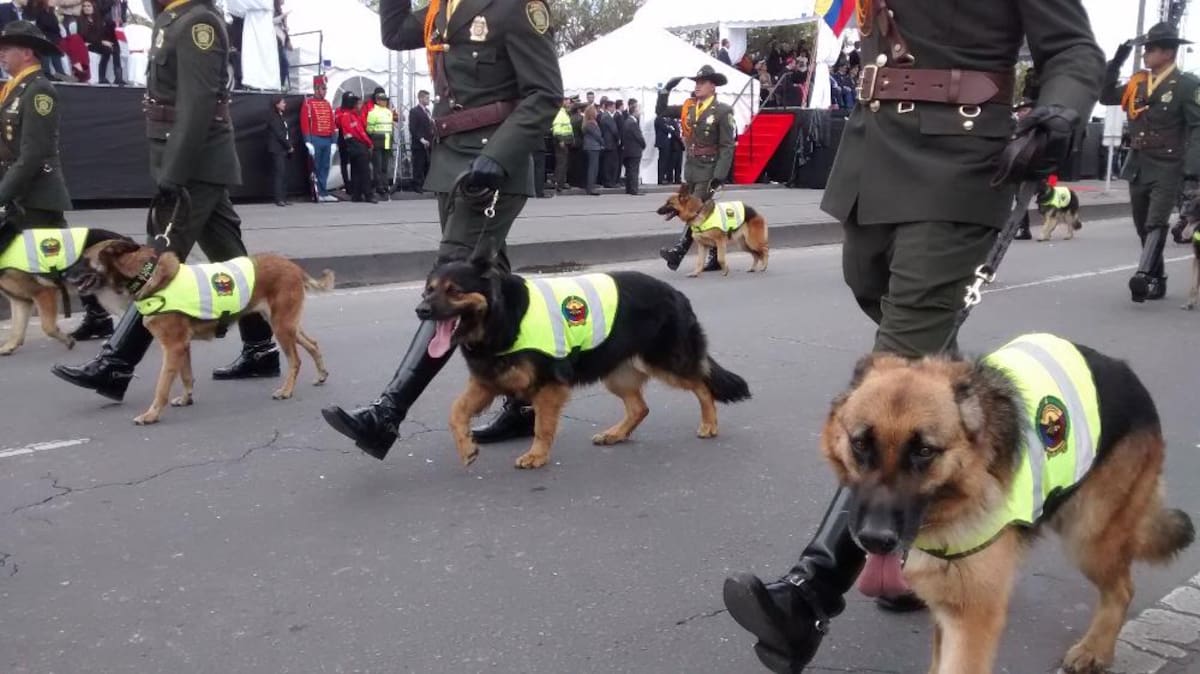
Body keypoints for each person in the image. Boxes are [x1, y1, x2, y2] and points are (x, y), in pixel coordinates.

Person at [718, 1, 1105, 671]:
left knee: (898, 360)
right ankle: (925, 530)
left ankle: (810, 595)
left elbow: (1074, 49)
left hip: (961, 159)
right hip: (874, 153)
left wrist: (1060, 110)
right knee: (904, 341)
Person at [320, 0, 562, 458]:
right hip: (453, 158)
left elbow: (545, 92)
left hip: (492, 162)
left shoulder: (515, 7)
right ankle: (525, 406)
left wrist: (501, 154)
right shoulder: (444, 7)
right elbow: (395, 35)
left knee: (450, 281)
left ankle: (387, 415)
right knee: (498, 287)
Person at [52, 0, 282, 400]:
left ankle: (115, 365)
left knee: (154, 266)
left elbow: (196, 106)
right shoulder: (174, 19)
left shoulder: (198, 23)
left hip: (194, 164)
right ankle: (261, 348)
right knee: (234, 261)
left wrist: (175, 172)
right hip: (190, 161)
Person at [0, 19, 110, 339]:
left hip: (35, 192)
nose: (1, 55)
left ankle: (103, 312)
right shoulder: (14, 88)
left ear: (28, 53)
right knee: (62, 260)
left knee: (62, 259)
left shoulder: (39, 91)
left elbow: (33, 153)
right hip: (21, 189)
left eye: (7, 50)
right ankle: (98, 314)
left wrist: (3, 193)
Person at [1099, 23, 1200, 303]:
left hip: (1169, 164)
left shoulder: (1187, 86)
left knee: (1156, 222)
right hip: (1139, 162)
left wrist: (1192, 170)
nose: (1145, 53)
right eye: (1145, 49)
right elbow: (1105, 95)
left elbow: (1197, 126)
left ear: (1168, 52)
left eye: (1151, 49)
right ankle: (1158, 277)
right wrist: (1116, 61)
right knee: (1142, 224)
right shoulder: (1138, 82)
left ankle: (1143, 276)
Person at [656, 65, 736, 272]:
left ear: (713, 86)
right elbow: (662, 111)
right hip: (691, 168)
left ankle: (678, 252)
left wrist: (719, 175)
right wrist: (665, 91)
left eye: (702, 82)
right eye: (696, 82)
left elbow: (727, 146)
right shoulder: (689, 107)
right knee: (704, 214)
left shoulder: (723, 111)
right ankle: (715, 257)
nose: (698, 86)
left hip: (709, 169)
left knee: (694, 210)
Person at [299, 75, 338, 203]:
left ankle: (323, 192)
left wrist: (334, 141)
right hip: (315, 138)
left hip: (327, 139)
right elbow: (305, 122)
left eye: (325, 88)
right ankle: (316, 193)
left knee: (325, 166)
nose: (325, 91)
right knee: (315, 167)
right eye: (323, 88)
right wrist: (308, 141)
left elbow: (332, 123)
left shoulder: (327, 104)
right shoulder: (308, 103)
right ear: (316, 89)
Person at [337, 92, 374, 203]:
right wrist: (369, 143)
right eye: (358, 104)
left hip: (351, 145)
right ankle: (368, 195)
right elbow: (360, 132)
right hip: (357, 144)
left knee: (356, 171)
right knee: (364, 171)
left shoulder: (351, 115)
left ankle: (356, 195)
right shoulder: (349, 116)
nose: (360, 106)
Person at [79, 0, 121, 84]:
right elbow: (85, 36)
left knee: (110, 48)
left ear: (93, 8)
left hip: (96, 42)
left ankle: (113, 77)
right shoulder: (80, 20)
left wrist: (104, 41)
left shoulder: (97, 20)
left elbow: (99, 34)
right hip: (87, 44)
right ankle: (101, 77)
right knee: (106, 50)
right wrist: (101, 42)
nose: (86, 8)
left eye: (88, 6)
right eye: (84, 6)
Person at [366, 91, 394, 200]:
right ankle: (379, 186)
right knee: (377, 164)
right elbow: (369, 128)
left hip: (387, 138)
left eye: (385, 100)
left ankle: (385, 184)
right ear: (377, 101)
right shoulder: (372, 112)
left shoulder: (388, 112)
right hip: (377, 139)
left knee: (384, 165)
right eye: (382, 100)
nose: (384, 102)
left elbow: (390, 126)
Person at [266, 94, 292, 207]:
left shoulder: (282, 116)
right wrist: (289, 145)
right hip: (277, 149)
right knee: (279, 174)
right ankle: (279, 198)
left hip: (283, 149)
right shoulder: (273, 117)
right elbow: (279, 134)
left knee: (285, 173)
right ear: (276, 104)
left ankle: (284, 197)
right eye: (282, 102)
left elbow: (285, 133)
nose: (285, 104)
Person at [407, 89, 432, 193]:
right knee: (418, 164)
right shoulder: (414, 111)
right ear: (420, 98)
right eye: (427, 98)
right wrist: (421, 139)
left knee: (427, 164)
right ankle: (417, 185)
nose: (429, 100)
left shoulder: (428, 111)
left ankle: (426, 184)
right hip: (419, 143)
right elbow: (413, 128)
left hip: (429, 142)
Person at [620, 98, 645, 195]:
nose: (639, 112)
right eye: (638, 110)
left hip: (628, 150)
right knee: (634, 170)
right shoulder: (632, 123)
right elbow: (638, 137)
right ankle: (634, 189)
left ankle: (629, 188)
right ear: (634, 111)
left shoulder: (627, 121)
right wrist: (643, 145)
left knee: (630, 170)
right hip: (634, 150)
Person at [551, 96, 573, 193]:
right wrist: (560, 140)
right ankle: (558, 183)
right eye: (568, 103)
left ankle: (562, 182)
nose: (569, 104)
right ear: (563, 103)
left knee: (564, 163)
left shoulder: (564, 113)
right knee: (561, 163)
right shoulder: (560, 114)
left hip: (565, 141)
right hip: (561, 142)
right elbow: (557, 129)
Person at [582, 104, 602, 195]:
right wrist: (603, 142)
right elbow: (597, 135)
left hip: (592, 147)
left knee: (593, 168)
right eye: (595, 111)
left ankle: (591, 186)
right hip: (592, 147)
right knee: (593, 168)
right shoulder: (590, 124)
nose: (597, 113)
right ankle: (590, 188)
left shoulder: (588, 123)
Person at [653, 111, 677, 184]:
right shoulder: (659, 119)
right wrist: (671, 129)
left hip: (667, 143)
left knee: (666, 161)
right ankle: (661, 178)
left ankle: (665, 177)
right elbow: (666, 128)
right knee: (662, 161)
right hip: (662, 143)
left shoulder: (665, 119)